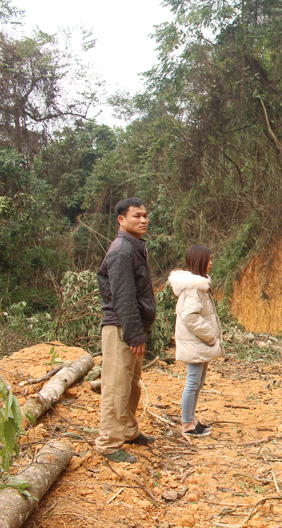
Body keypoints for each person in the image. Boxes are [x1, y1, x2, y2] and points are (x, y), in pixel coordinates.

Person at [96, 198, 157, 463]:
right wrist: (133, 334)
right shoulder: (122, 250)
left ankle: (130, 431)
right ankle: (109, 443)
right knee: (117, 386)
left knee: (131, 383)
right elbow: (122, 296)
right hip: (121, 327)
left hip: (131, 326)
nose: (143, 220)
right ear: (121, 220)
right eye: (136, 216)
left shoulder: (135, 246)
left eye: (145, 216)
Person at [168, 245, 224, 437]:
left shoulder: (199, 285)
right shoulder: (194, 288)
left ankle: (190, 421)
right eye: (209, 260)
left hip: (198, 343)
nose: (211, 263)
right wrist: (210, 336)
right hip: (197, 343)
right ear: (200, 261)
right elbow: (190, 316)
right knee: (193, 382)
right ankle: (187, 426)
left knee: (197, 382)